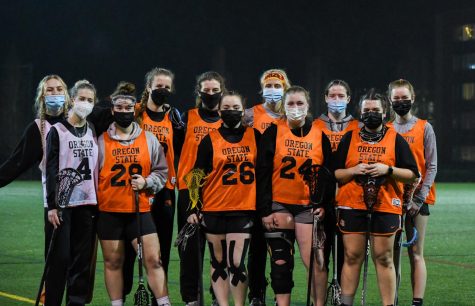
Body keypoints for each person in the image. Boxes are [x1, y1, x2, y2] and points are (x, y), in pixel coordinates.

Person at [334, 89, 419, 306]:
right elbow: (335, 173)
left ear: (384, 113)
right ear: (360, 112)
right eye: (367, 110)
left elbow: (412, 175)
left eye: (376, 110)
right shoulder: (349, 137)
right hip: (352, 205)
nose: (371, 113)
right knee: (352, 256)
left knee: (384, 258)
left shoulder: (396, 139)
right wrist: (355, 170)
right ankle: (346, 303)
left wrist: (387, 169)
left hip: (386, 205)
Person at [257, 86, 333, 306]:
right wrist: (264, 210)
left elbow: (327, 175)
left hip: (307, 206)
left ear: (308, 106)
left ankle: (319, 304)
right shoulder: (273, 132)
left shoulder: (320, 135)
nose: (295, 108)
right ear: (284, 105)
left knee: (316, 262)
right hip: (279, 204)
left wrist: (325, 204)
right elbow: (262, 173)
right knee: (280, 262)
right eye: (290, 103)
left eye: (300, 103)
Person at [96, 82, 170, 306]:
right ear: (112, 111)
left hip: (140, 209)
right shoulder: (101, 142)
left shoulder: (148, 139)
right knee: (113, 261)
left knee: (153, 260)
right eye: (119, 108)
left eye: (128, 108)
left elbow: (161, 172)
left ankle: (164, 303)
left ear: (134, 110)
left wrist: (147, 181)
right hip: (109, 211)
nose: (124, 112)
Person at [188, 91, 260, 306]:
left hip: (243, 208)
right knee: (218, 262)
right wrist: (193, 207)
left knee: (236, 263)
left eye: (235, 108)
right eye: (226, 108)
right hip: (214, 208)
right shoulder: (209, 140)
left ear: (243, 110)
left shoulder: (255, 136)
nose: (231, 112)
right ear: (219, 111)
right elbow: (196, 174)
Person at [45, 80, 99, 306]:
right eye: (82, 99)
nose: (85, 103)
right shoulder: (57, 131)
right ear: (72, 100)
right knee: (61, 258)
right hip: (65, 204)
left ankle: (76, 303)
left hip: (87, 204)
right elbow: (51, 168)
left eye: (90, 100)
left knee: (81, 260)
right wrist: (52, 204)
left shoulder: (92, 129)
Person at [176, 71, 225, 305]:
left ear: (222, 92)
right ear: (199, 92)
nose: (211, 94)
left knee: (220, 252)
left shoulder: (230, 120)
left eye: (215, 90)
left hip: (220, 193)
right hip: (189, 192)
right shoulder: (187, 118)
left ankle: (218, 297)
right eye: (207, 90)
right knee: (190, 254)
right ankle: (191, 300)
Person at [243, 69, 291, 306]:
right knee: (258, 246)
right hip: (255, 187)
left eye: (277, 85)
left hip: (283, 187)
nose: (273, 89)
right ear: (262, 88)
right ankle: (256, 293)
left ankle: (281, 293)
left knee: (282, 246)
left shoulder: (291, 114)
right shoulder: (250, 115)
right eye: (269, 85)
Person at [388, 79, 437, 306]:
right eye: (396, 98)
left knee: (416, 253)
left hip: (418, 202)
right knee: (392, 257)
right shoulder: (386, 129)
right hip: (392, 201)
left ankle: (417, 302)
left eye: (404, 97)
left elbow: (432, 165)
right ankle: (393, 300)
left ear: (413, 98)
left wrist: (418, 198)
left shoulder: (424, 127)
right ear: (389, 100)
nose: (400, 102)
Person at [313, 80, 359, 289]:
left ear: (349, 99)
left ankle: (341, 293)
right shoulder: (315, 125)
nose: (337, 100)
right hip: (322, 199)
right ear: (325, 98)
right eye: (333, 96)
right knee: (320, 253)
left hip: (348, 198)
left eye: (341, 96)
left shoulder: (358, 127)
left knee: (347, 253)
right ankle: (320, 298)